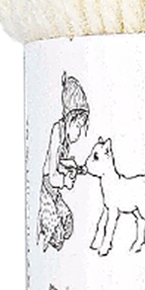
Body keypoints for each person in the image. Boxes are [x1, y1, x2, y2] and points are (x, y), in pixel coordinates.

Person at [38, 72, 91, 251]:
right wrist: (65, 180)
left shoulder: (66, 140)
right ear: (69, 118)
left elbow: (60, 161)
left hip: (55, 194)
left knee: (68, 224)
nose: (79, 132)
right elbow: (52, 173)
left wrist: (70, 165)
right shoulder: (57, 132)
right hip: (47, 190)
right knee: (57, 237)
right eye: (78, 126)